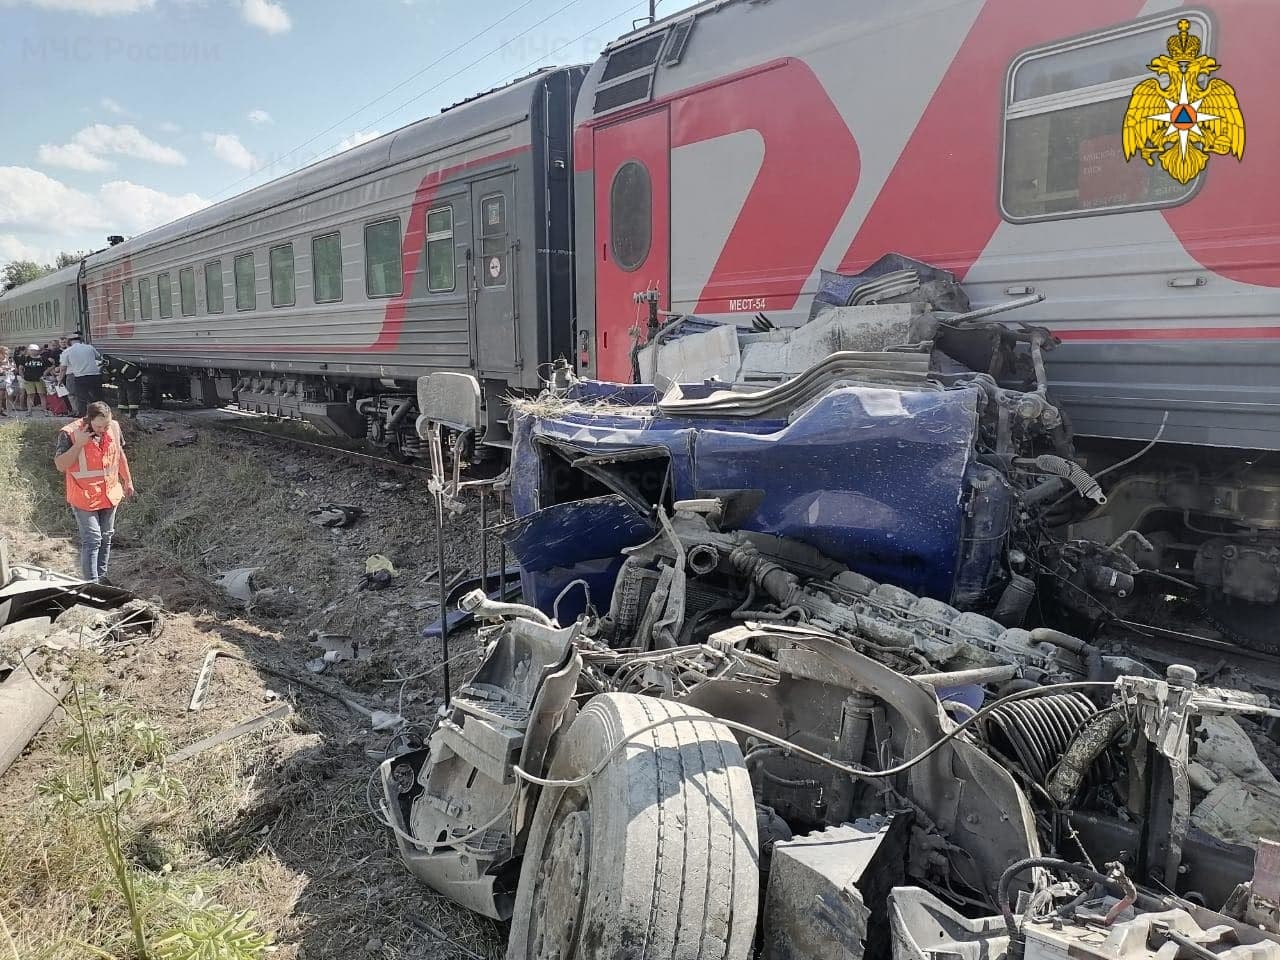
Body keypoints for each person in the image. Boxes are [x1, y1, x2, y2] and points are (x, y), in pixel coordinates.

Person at [53, 401, 135, 583]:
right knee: (93, 540)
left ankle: (102, 578)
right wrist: (79, 445)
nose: (104, 429)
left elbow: (119, 454)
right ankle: (91, 584)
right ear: (88, 420)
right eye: (99, 426)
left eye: (106, 424)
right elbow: (60, 465)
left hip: (109, 492)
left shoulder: (113, 427)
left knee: (106, 537)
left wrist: (128, 480)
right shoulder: (69, 433)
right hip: (84, 496)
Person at [61, 333, 103, 416]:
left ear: (69, 342)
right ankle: (100, 412)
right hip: (95, 375)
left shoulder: (67, 351)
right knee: (97, 395)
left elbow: (63, 368)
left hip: (80, 376)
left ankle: (82, 415)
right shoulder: (90, 347)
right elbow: (98, 357)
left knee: (81, 397)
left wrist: (60, 378)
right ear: (81, 340)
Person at [103, 354, 145, 419]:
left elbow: (132, 372)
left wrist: (130, 381)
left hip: (133, 378)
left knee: (132, 395)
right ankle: (123, 414)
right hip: (124, 379)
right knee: (122, 395)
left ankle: (133, 415)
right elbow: (111, 377)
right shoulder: (109, 366)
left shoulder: (116, 363)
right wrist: (115, 380)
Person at [20, 342, 51, 414]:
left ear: (38, 351)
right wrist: (22, 376)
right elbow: (20, 368)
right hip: (28, 379)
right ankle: (29, 411)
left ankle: (44, 410)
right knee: (30, 395)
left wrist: (45, 373)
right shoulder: (25, 358)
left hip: (39, 379)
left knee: (42, 394)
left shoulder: (42, 358)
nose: (33, 351)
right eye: (31, 350)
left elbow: (51, 365)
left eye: (34, 350)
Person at [0, 346, 12, 417]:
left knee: (8, 396)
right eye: (6, 352)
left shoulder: (9, 360)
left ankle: (9, 413)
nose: (7, 353)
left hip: (8, 378)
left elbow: (13, 368)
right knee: (1, 396)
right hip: (1, 378)